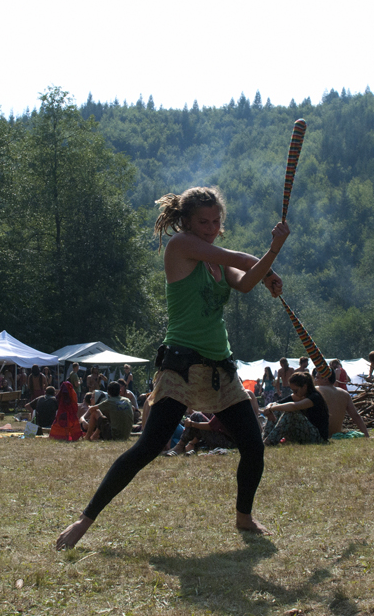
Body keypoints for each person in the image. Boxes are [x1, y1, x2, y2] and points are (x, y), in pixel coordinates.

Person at [56, 186, 288, 549]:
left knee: (253, 445)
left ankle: (244, 518)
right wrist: (273, 251)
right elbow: (244, 259)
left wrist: (267, 276)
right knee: (149, 445)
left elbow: (245, 283)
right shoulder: (180, 246)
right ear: (186, 221)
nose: (211, 227)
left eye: (216, 221)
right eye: (203, 221)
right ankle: (84, 521)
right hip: (182, 363)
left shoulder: (216, 261)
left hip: (219, 365)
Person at [262, 372, 330, 445]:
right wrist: (269, 409)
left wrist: (272, 408)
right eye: (292, 391)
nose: (294, 393)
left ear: (304, 387)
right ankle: (265, 438)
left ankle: (270, 441)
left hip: (317, 437)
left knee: (291, 413)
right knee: (277, 409)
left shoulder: (315, 397)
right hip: (305, 433)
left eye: (296, 390)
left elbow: (294, 406)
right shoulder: (298, 395)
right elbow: (275, 403)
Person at [314, 370, 369, 437]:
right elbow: (356, 416)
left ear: (325, 379)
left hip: (319, 433)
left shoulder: (316, 390)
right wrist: (366, 434)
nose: (315, 380)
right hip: (336, 433)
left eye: (317, 377)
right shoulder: (344, 393)